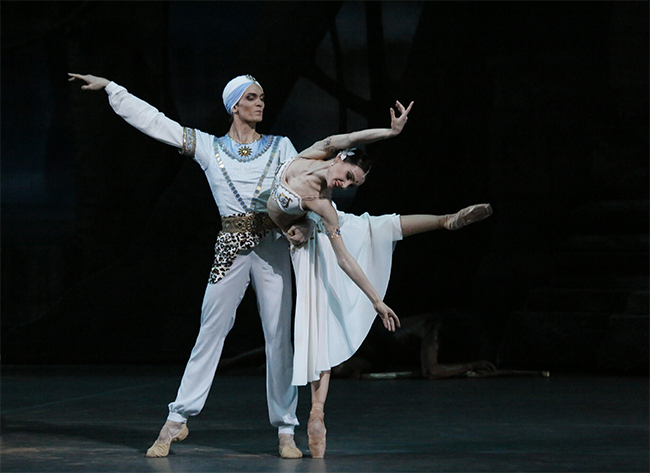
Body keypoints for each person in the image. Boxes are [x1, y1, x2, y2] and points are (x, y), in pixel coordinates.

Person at [68, 73, 304, 459]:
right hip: (230, 250)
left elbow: (302, 186)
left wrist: (298, 223)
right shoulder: (210, 147)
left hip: (273, 248)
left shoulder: (281, 147)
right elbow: (158, 123)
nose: (260, 103)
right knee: (210, 332)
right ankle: (177, 419)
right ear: (234, 106)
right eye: (252, 97)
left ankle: (286, 429)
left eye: (262, 96)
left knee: (279, 337)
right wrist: (114, 88)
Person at [267, 104, 493, 457]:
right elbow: (355, 136)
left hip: (314, 236)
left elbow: (344, 258)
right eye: (347, 176)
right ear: (340, 158)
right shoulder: (316, 153)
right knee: (317, 319)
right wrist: (391, 133)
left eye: (352, 184)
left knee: (375, 228)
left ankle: (446, 220)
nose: (343, 185)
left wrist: (376, 299)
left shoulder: (326, 205)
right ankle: (315, 411)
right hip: (297, 234)